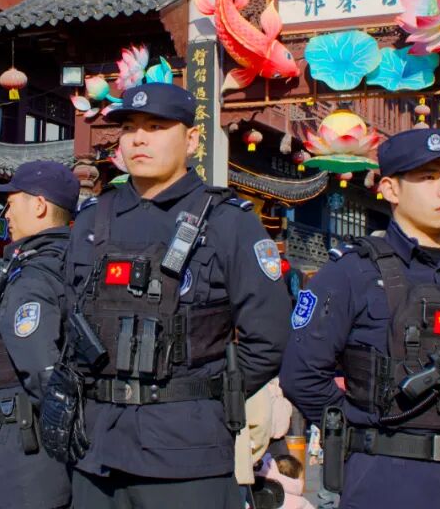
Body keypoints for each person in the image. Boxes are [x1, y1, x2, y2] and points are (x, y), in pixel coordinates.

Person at [63, 83, 292, 507]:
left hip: (188, 453)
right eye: (129, 128)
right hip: (96, 450)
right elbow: (68, 320)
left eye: (155, 127)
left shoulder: (228, 222)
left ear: (191, 140)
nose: (139, 139)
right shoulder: (93, 220)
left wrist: (204, 396)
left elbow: (269, 337)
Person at [280, 128, 440, 509]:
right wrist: (361, 427)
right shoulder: (352, 272)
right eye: (428, 177)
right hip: (386, 479)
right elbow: (301, 374)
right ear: (391, 190)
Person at [0, 160, 78, 508]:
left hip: (24, 454)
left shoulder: (33, 276)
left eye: (11, 202)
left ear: (39, 205)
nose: (6, 213)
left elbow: (40, 369)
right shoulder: (74, 264)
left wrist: (62, 428)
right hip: (48, 457)